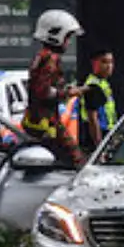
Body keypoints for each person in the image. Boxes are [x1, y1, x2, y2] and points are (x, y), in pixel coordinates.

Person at [24, 9, 83, 165]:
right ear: (56, 35)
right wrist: (70, 92)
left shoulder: (42, 56)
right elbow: (43, 91)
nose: (68, 42)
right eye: (67, 37)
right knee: (76, 160)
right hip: (47, 124)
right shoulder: (50, 58)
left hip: (41, 122)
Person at [74, 48, 116, 154]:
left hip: (106, 135)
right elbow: (93, 119)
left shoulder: (103, 83)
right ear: (94, 63)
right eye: (104, 62)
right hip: (96, 141)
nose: (109, 66)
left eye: (111, 62)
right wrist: (99, 148)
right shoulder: (93, 85)